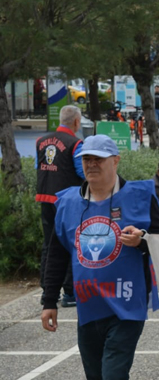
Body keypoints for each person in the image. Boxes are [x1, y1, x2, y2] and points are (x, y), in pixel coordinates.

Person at [41, 134, 159, 380]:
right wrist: (49, 300)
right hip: (88, 306)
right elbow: (57, 253)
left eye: (98, 158)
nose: (92, 164)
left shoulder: (140, 196)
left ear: (116, 161)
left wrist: (143, 240)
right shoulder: (67, 202)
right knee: (97, 378)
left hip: (127, 306)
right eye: (86, 159)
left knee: (113, 377)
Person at [35, 105, 84, 308]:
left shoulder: (41, 141)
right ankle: (69, 292)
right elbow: (82, 172)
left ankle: (47, 290)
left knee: (49, 244)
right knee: (70, 243)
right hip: (66, 201)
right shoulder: (75, 143)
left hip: (45, 197)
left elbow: (39, 166)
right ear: (76, 122)